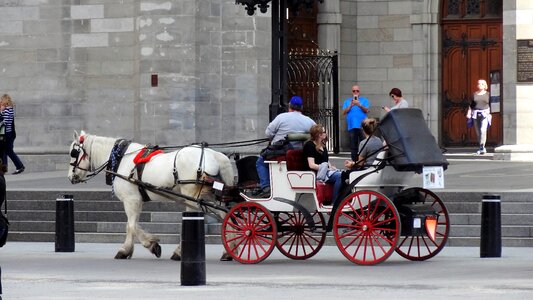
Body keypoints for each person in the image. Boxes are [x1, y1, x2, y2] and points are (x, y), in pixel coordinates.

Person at [255, 95, 316, 197]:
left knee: (260, 162)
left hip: (281, 152)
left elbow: (268, 133)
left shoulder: (281, 117)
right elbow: (317, 133)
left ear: (290, 106)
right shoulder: (308, 121)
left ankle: (266, 187)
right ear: (301, 107)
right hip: (300, 154)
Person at [303, 124, 343, 206]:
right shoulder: (310, 145)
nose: (326, 133)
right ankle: (335, 202)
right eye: (324, 132)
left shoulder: (323, 145)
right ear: (319, 134)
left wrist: (331, 167)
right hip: (318, 173)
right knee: (339, 176)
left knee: (344, 174)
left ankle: (341, 198)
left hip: (325, 171)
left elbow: (326, 160)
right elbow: (311, 165)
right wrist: (326, 168)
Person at [342, 85, 370, 161]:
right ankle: (354, 162)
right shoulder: (347, 101)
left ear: (359, 92)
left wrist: (359, 105)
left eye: (357, 91)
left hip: (362, 126)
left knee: (364, 144)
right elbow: (343, 112)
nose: (355, 92)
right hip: (352, 126)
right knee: (353, 146)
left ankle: (364, 160)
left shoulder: (364, 100)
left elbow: (367, 110)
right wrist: (350, 106)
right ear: (352, 92)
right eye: (354, 91)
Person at [0, 94, 25, 174]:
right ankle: (4, 168)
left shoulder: (7, 110)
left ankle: (19, 166)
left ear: (4, 101)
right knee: (4, 151)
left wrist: (1, 112)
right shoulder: (9, 109)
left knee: (8, 151)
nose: (0, 102)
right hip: (8, 134)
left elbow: (5, 122)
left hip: (7, 134)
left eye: (1, 100)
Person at [466, 79, 491, 155]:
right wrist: (469, 113)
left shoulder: (488, 94)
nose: (479, 85)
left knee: (483, 130)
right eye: (478, 84)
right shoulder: (475, 94)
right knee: (478, 132)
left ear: (484, 85)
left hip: (484, 114)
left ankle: (482, 146)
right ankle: (480, 145)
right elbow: (472, 105)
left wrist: (489, 111)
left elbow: (492, 104)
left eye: (481, 84)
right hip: (475, 114)